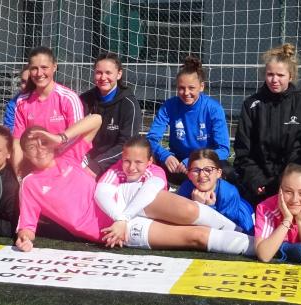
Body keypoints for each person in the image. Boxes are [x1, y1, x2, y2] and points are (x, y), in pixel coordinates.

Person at [15, 116, 256, 257]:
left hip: (124, 199)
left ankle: (252, 232)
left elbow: (96, 120)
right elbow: (27, 225)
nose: (40, 149)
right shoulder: (30, 185)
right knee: (196, 237)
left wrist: (60, 138)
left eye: (43, 142)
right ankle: (261, 247)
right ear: (24, 153)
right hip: (113, 230)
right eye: (32, 146)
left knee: (190, 211)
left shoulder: (67, 155)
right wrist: (24, 238)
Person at [234, 43, 301, 206]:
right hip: (261, 185)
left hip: (296, 185)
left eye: (280, 75)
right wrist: (256, 181)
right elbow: (243, 151)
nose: (274, 80)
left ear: (291, 76)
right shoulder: (252, 105)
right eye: (270, 74)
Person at [146, 56, 229, 185]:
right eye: (181, 88)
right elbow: (151, 139)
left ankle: (213, 201)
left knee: (228, 172)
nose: (186, 93)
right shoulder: (169, 106)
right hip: (178, 164)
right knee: (148, 164)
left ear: (201, 86)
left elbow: (223, 150)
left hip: (204, 162)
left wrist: (193, 160)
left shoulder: (213, 108)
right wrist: (165, 155)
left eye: (191, 88)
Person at [11, 46, 84, 177]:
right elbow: (18, 142)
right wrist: (18, 174)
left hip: (67, 165)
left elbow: (78, 139)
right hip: (35, 165)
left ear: (54, 67)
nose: (39, 73)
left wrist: (58, 168)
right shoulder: (22, 101)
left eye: (44, 67)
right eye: (34, 68)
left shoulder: (68, 98)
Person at [80, 53, 142, 177]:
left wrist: (97, 165)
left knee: (100, 191)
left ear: (119, 74)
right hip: (85, 159)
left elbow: (126, 145)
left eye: (108, 73)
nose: (103, 77)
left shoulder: (129, 105)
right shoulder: (84, 100)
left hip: (115, 163)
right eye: (99, 72)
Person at [177, 149, 254, 235]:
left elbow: (229, 228)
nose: (202, 175)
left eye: (208, 170)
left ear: (218, 173)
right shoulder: (186, 188)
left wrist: (206, 207)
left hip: (241, 219)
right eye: (196, 170)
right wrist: (197, 206)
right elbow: (178, 217)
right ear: (189, 174)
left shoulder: (229, 193)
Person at [3, 65, 33, 133]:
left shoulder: (51, 99)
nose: (25, 86)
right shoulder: (13, 104)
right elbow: (9, 128)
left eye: (30, 82)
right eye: (23, 81)